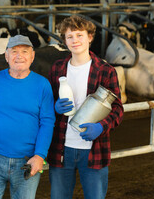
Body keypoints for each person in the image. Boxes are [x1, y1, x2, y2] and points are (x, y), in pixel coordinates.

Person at [47, 15, 124, 199]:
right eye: (69, 36)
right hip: (61, 148)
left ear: (90, 37)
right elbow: (45, 106)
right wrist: (54, 107)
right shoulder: (57, 68)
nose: (75, 41)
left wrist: (101, 127)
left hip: (94, 149)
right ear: (65, 41)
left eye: (79, 35)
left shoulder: (106, 71)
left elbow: (118, 109)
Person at [0, 34, 56, 199]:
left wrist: (40, 155)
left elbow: (47, 122)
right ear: (6, 56)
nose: (19, 56)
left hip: (27, 160)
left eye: (25, 51)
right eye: (14, 51)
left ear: (32, 56)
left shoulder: (42, 85)